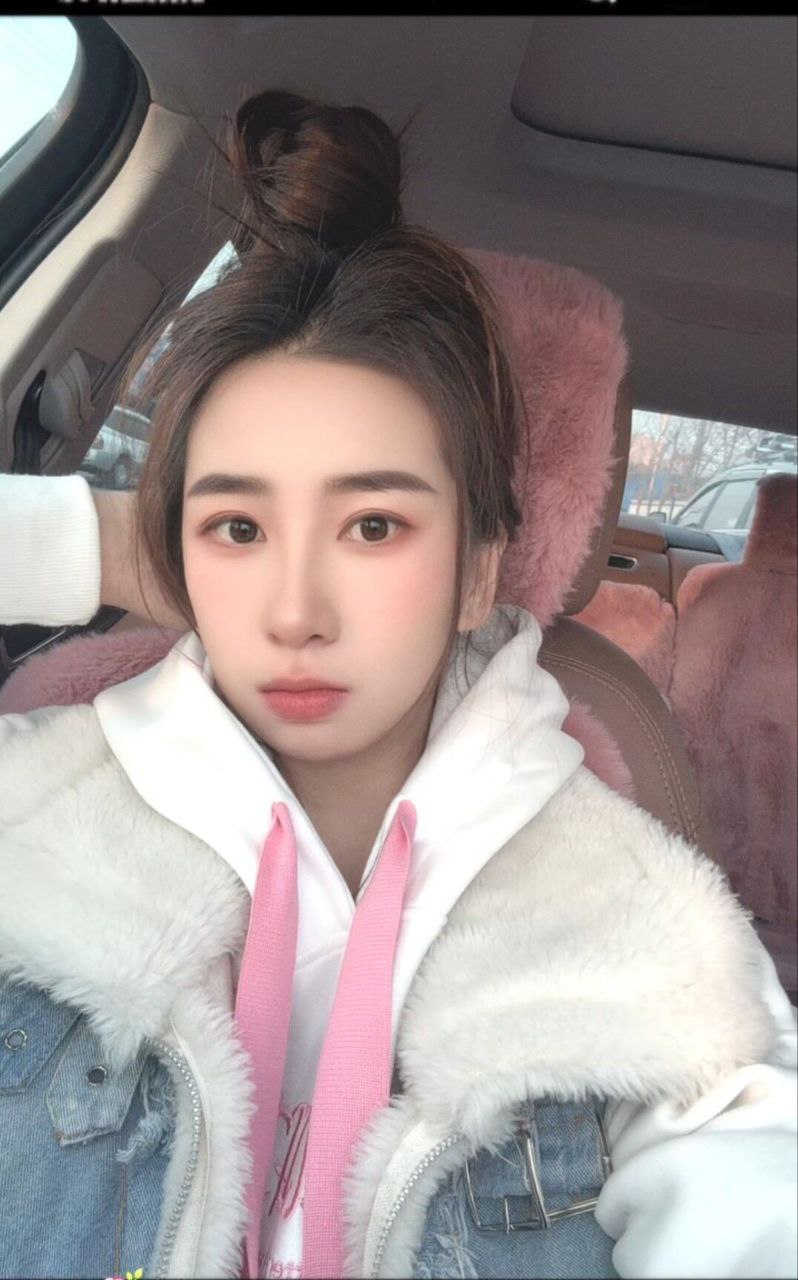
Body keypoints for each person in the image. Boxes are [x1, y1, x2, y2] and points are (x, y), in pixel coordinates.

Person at [0, 90, 796, 1280]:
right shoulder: (31, 825)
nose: (295, 610)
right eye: (237, 527)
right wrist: (96, 543)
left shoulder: (646, 942)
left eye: (373, 525)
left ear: (478, 570)